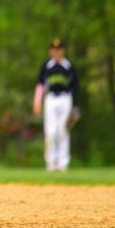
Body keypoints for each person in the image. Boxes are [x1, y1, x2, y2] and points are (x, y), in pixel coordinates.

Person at [33, 38, 79, 171]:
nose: (56, 52)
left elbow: (76, 87)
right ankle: (50, 163)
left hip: (65, 99)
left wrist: (75, 106)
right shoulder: (47, 66)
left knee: (63, 131)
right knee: (51, 132)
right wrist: (37, 101)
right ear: (50, 51)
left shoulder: (69, 67)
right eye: (54, 50)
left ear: (63, 51)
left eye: (59, 50)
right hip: (50, 99)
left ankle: (63, 163)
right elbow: (40, 85)